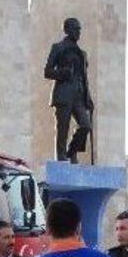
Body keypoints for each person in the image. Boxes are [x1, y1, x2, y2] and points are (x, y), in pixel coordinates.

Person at [44, 17, 93, 162]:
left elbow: (84, 79)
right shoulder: (58, 48)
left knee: (85, 125)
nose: (79, 32)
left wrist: (88, 98)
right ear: (68, 30)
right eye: (76, 29)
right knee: (63, 129)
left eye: (79, 29)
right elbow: (47, 71)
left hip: (79, 95)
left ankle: (72, 151)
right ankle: (61, 157)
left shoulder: (82, 54)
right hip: (64, 94)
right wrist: (63, 73)